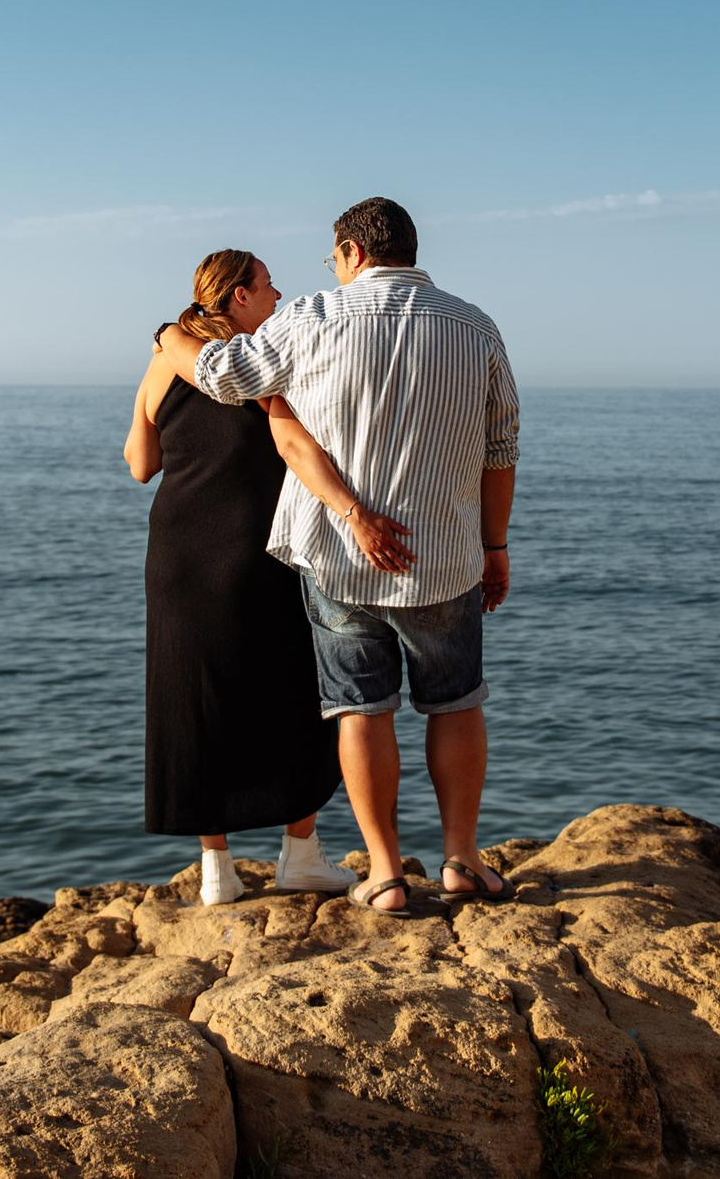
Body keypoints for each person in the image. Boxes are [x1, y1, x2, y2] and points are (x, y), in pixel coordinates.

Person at [158, 198, 518, 917]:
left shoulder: (312, 318)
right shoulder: (476, 326)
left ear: (353, 252)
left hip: (341, 558)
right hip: (443, 555)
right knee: (456, 704)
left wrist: (169, 335)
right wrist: (495, 544)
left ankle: (383, 872)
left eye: (331, 257)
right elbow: (500, 448)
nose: (329, 269)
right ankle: (461, 860)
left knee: (361, 710)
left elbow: (227, 376)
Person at [125, 249, 412, 904]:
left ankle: (216, 873)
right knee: (295, 691)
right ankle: (301, 855)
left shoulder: (162, 361)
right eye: (266, 284)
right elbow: (293, 444)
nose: (278, 291)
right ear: (236, 298)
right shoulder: (255, 368)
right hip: (258, 549)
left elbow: (139, 462)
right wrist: (353, 509)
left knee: (197, 701)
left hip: (175, 558)